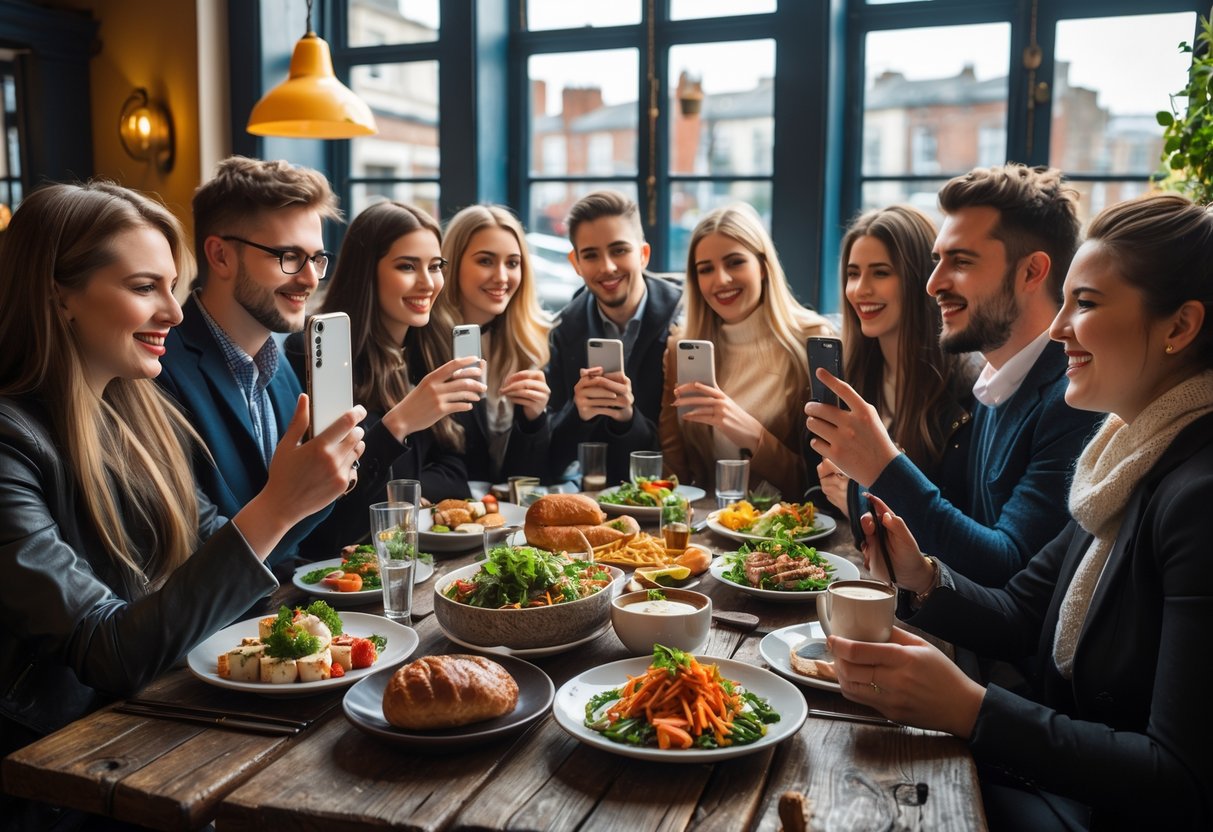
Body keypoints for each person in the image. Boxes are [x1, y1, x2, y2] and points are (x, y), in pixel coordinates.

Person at [826, 192, 1213, 830]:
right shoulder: (1119, 460)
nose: (1058, 328)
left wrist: (972, 710)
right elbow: (1023, 611)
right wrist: (923, 577)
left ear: (1179, 327)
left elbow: (1179, 780)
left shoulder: (1197, 495)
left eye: (1084, 304)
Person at [0, 182, 364, 761]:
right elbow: (109, 651)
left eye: (171, 287)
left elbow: (212, 548)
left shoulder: (136, 417)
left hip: (159, 716)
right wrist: (279, 505)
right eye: (145, 287)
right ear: (58, 296)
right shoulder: (11, 443)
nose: (173, 311)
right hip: (55, 772)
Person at [806, 164, 1100, 585]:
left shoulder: (1073, 399)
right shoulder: (994, 382)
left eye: (960, 262)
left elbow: (1008, 567)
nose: (932, 284)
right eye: (936, 261)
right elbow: (960, 533)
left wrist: (883, 467)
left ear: (1032, 272)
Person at [156, 156, 365, 568]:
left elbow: (304, 534)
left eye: (317, 259)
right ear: (220, 256)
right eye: (288, 256)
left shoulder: (282, 366)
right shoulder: (160, 370)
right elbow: (197, 554)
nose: (309, 279)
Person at [283, 201, 485, 555]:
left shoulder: (431, 346)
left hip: (415, 558)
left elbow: (458, 477)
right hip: (342, 574)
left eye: (435, 267)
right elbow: (331, 526)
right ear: (367, 273)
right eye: (407, 266)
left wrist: (394, 494)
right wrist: (400, 423)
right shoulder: (315, 355)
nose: (427, 283)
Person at [814, 206, 979, 524]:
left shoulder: (969, 388)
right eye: (852, 273)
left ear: (922, 281)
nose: (860, 289)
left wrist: (856, 500)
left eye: (880, 272)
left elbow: (955, 526)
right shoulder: (848, 376)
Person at [660, 204, 835, 498]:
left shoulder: (812, 341)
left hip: (785, 531)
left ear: (763, 267)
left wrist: (751, 434)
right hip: (706, 528)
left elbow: (818, 484)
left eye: (735, 262)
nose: (721, 280)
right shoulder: (681, 347)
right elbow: (674, 472)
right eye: (706, 269)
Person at [545, 190, 682, 486]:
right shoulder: (564, 330)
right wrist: (577, 413)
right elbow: (548, 460)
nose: (607, 267)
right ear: (576, 263)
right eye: (591, 255)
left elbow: (687, 445)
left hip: (673, 495)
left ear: (643, 255)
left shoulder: (685, 320)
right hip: (592, 499)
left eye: (619, 250)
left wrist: (627, 420)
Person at [416, 204, 551, 484]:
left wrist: (533, 419)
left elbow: (525, 478)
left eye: (512, 263)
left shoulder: (530, 341)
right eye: (486, 261)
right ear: (452, 263)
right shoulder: (424, 341)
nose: (502, 277)